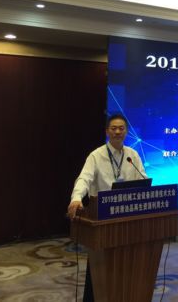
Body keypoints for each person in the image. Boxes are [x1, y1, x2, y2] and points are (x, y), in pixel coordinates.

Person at [67, 113, 147, 301]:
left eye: (121, 128)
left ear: (126, 132)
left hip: (127, 218)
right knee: (100, 268)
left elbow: (143, 179)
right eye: (114, 128)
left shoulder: (132, 155)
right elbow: (84, 179)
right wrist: (76, 198)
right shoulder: (96, 155)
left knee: (126, 263)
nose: (118, 132)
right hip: (102, 219)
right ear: (107, 131)